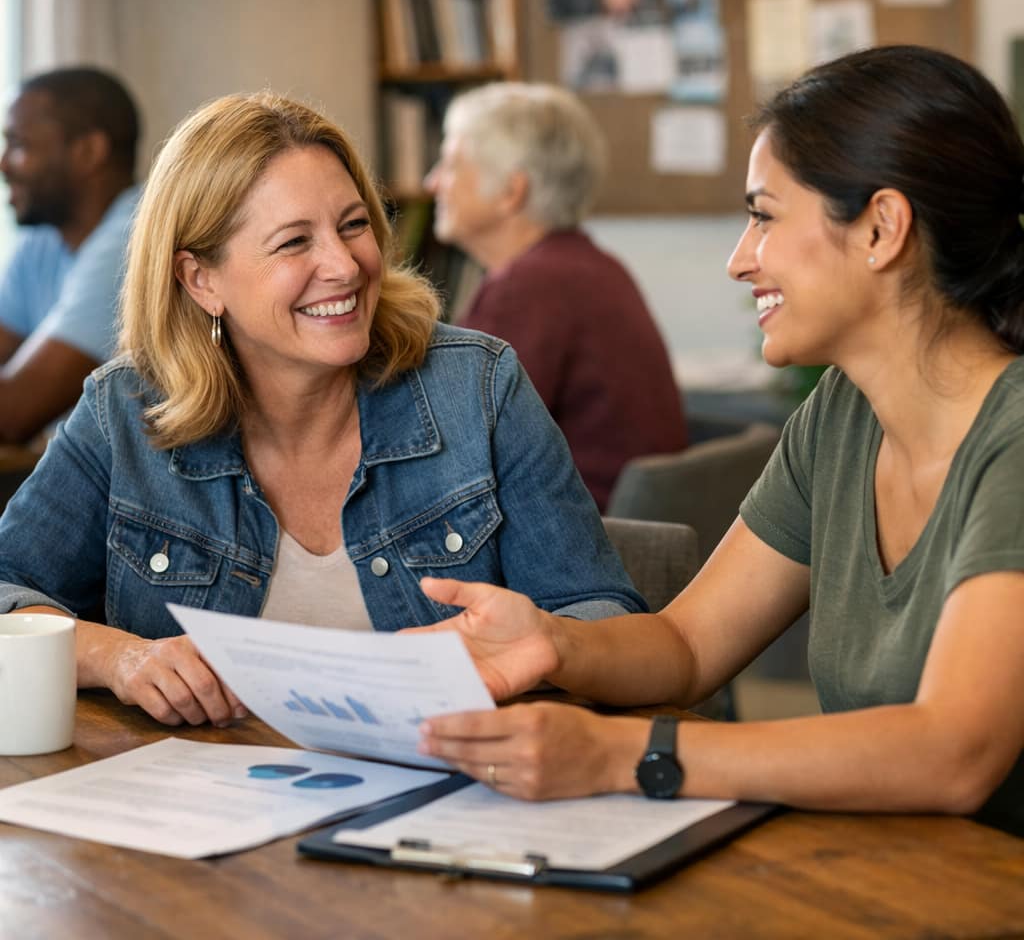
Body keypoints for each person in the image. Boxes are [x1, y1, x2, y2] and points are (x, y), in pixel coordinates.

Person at [415, 46, 1024, 838]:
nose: (740, 260)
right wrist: (551, 641)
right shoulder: (842, 416)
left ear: (881, 228)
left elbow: (953, 751)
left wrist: (621, 754)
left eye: (764, 216)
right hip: (898, 875)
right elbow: (687, 644)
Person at [0, 91, 646, 728]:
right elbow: (7, 589)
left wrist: (532, 646)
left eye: (354, 225)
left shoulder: (477, 386)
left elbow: (601, 615)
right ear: (202, 280)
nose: (344, 265)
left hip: (447, 801)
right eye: (293, 243)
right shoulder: (125, 408)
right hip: (195, 808)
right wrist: (119, 656)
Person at [424, 82, 687, 512]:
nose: (432, 182)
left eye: (451, 165)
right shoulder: (595, 267)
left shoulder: (526, 288)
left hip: (575, 544)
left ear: (511, 192)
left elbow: (455, 450)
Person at [0, 67, 141, 443]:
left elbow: (13, 412)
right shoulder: (45, 239)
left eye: (19, 145)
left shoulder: (136, 237)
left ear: (88, 152)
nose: (3, 165)